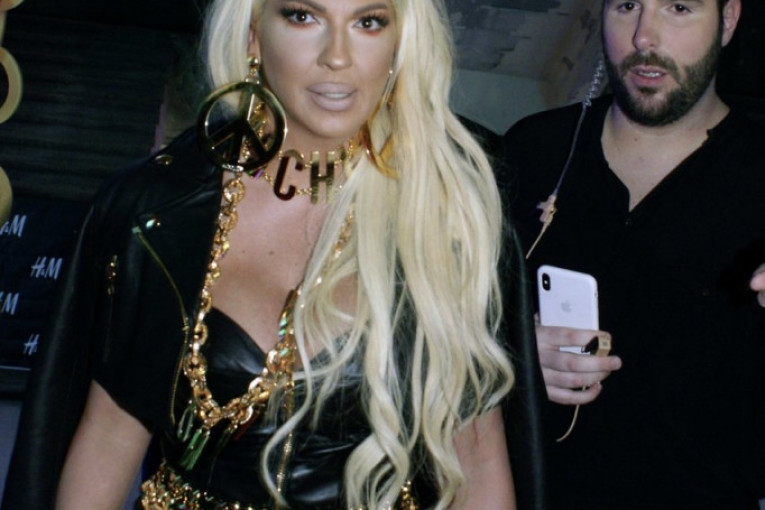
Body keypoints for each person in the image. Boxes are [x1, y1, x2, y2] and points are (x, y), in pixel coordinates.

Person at [2, 0, 548, 509]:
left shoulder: (449, 214)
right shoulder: (155, 212)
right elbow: (109, 435)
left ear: (401, 40)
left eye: (369, 21)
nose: (337, 56)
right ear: (252, 34)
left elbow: (477, 456)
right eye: (303, 16)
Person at [500, 0, 765, 508]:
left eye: (679, 7)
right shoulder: (532, 151)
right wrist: (508, 358)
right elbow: (439, 341)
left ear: (729, 20)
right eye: (627, 5)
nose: (644, 36)